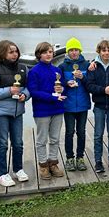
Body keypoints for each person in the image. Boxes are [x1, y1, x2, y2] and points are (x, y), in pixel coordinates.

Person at [0, 40, 31, 187]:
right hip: (0, 113)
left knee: (18, 143)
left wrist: (25, 95)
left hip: (17, 112)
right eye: (11, 51)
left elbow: (29, 88)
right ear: (2, 53)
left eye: (16, 51)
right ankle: (3, 174)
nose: (14, 54)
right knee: (3, 143)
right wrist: (9, 90)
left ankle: (18, 169)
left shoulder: (23, 68)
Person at [27, 42, 66, 180]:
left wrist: (61, 90)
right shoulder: (34, 71)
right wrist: (51, 97)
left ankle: (53, 163)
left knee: (55, 138)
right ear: (39, 54)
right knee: (42, 140)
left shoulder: (57, 70)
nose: (48, 54)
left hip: (58, 109)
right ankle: (43, 165)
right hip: (42, 110)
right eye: (45, 52)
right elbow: (33, 91)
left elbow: (63, 87)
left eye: (50, 52)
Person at [85, 40, 109, 173]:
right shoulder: (93, 66)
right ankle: (98, 161)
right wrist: (104, 90)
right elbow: (89, 85)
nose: (106, 53)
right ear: (99, 52)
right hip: (99, 106)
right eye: (104, 50)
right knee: (98, 135)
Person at [58, 37, 91, 172]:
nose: (74, 53)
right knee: (69, 132)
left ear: (80, 51)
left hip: (83, 104)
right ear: (67, 52)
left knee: (82, 132)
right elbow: (58, 85)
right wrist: (66, 84)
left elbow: (91, 84)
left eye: (76, 50)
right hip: (68, 105)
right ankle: (69, 158)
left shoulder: (87, 65)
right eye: (71, 50)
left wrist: (83, 78)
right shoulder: (62, 66)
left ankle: (80, 157)